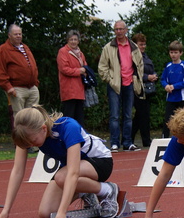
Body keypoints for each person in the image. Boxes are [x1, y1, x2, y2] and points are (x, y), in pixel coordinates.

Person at [0, 105, 119, 218]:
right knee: (46, 213)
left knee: (62, 177)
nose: (31, 146)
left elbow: (73, 172)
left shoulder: (68, 127)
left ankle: (107, 190)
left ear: (44, 128)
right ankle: (85, 191)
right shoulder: (26, 135)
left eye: (33, 142)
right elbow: (17, 171)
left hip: (100, 162)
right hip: (71, 169)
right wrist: (6, 211)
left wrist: (62, 213)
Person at [98, 20, 144, 152]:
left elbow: (140, 64)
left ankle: (127, 143)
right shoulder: (108, 47)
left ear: (126, 30)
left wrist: (136, 79)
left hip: (129, 83)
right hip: (114, 85)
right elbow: (102, 67)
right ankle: (114, 143)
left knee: (128, 115)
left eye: (120, 29)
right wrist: (110, 80)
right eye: (116, 29)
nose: (118, 31)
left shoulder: (134, 47)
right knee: (114, 115)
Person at [0, 24, 40, 117]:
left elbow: (32, 66)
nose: (18, 36)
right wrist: (8, 87)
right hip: (17, 89)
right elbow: (0, 71)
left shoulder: (25, 48)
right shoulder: (3, 50)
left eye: (20, 34)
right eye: (16, 34)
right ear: (9, 35)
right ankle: (19, 132)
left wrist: (35, 83)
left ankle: (31, 132)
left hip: (32, 87)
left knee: (33, 117)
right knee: (19, 117)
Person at [160, 40, 184, 138]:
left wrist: (175, 86)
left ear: (181, 53)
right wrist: (166, 86)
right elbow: (163, 79)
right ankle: (164, 138)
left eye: (175, 52)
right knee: (168, 119)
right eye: (171, 52)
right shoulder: (168, 66)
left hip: (182, 98)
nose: (173, 55)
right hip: (171, 98)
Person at [57, 29, 88, 129]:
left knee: (80, 118)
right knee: (69, 118)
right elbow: (64, 69)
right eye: (71, 39)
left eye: (75, 39)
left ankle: (81, 140)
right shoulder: (63, 52)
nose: (73, 41)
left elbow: (85, 67)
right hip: (69, 90)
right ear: (67, 40)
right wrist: (79, 71)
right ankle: (67, 140)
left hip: (80, 90)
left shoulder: (81, 53)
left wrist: (85, 72)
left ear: (78, 41)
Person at [131, 33, 158, 147]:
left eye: (144, 44)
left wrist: (154, 76)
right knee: (143, 114)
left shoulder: (146, 56)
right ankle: (146, 140)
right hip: (137, 89)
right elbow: (132, 74)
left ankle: (129, 138)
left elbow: (151, 69)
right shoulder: (132, 57)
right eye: (140, 44)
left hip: (147, 89)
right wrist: (147, 77)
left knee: (140, 115)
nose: (143, 47)